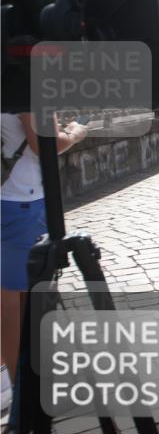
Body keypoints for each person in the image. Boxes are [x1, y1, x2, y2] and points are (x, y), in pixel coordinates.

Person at [2, 112, 87, 387]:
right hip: (19, 198)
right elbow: (44, 143)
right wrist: (75, 133)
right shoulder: (26, 74)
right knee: (13, 297)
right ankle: (22, 392)